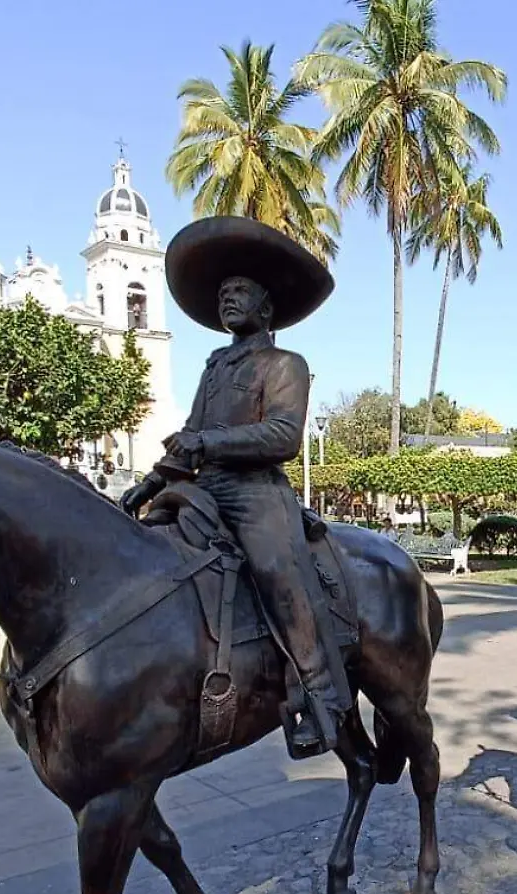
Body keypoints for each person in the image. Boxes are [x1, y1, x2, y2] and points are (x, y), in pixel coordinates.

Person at [119, 216, 351, 758]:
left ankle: (320, 697)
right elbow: (190, 437)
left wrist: (210, 444)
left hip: (255, 491)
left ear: (266, 308)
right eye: (223, 292)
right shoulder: (214, 366)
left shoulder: (285, 364)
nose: (228, 298)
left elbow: (282, 435)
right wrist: (152, 481)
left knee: (279, 573)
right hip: (202, 486)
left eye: (239, 291)